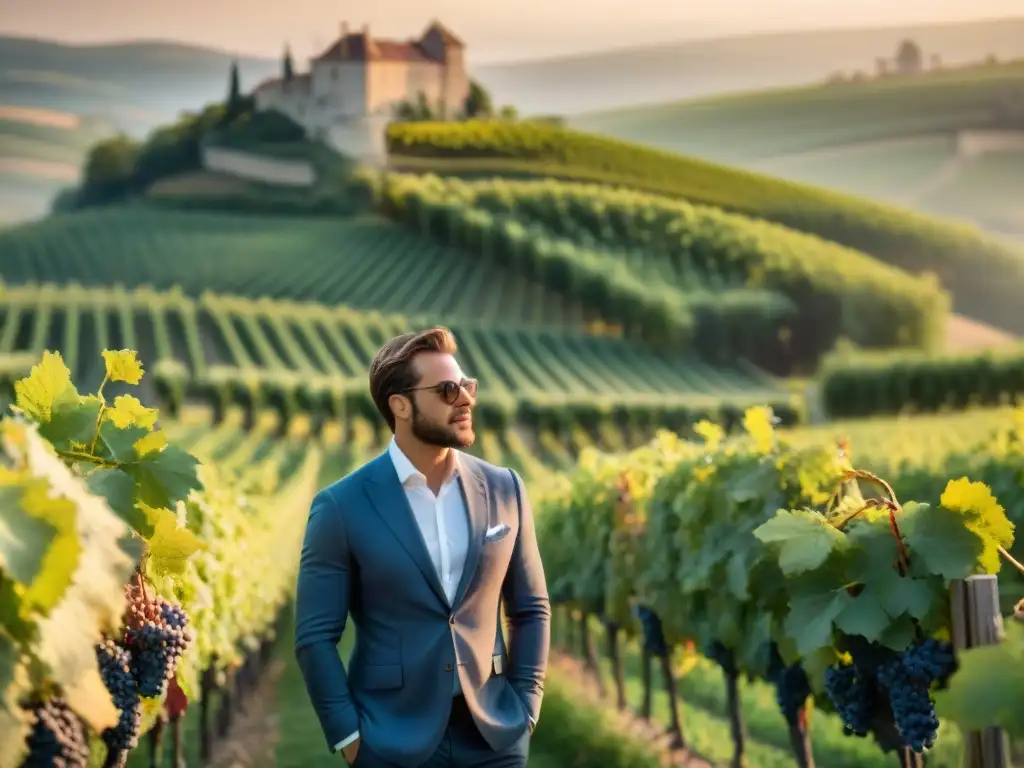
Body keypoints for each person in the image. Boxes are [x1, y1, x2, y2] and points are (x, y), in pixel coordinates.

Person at [294, 326, 550, 767]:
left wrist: (527, 705)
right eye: (448, 390)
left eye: (467, 386)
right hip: (389, 738)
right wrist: (350, 737)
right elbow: (315, 637)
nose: (466, 399)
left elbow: (531, 607)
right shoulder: (341, 506)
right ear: (401, 405)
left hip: (494, 736)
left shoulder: (505, 488)